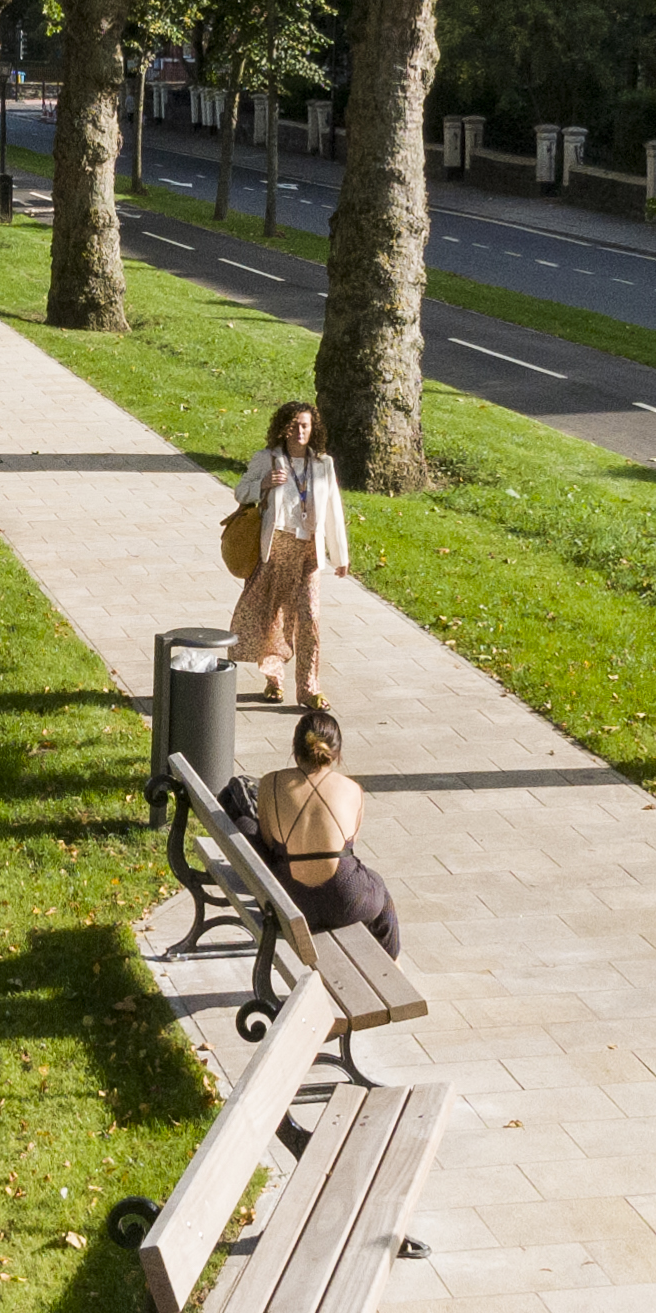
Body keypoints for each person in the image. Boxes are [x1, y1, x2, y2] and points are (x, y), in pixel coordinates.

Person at [230, 400, 351, 707]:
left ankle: (309, 689)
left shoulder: (324, 464)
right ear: (283, 428)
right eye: (294, 425)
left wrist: (340, 556)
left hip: (308, 550)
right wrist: (263, 485)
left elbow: (333, 511)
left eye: (305, 426)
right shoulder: (267, 459)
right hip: (277, 547)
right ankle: (274, 679)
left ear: (314, 429)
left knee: (309, 617)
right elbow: (240, 491)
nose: (300, 431)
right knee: (274, 616)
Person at [253, 708, 399, 957]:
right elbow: (350, 844)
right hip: (344, 900)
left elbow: (268, 841)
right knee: (380, 892)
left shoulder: (270, 783)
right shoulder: (352, 790)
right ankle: (393, 969)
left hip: (291, 900)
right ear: (336, 752)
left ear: (295, 749)